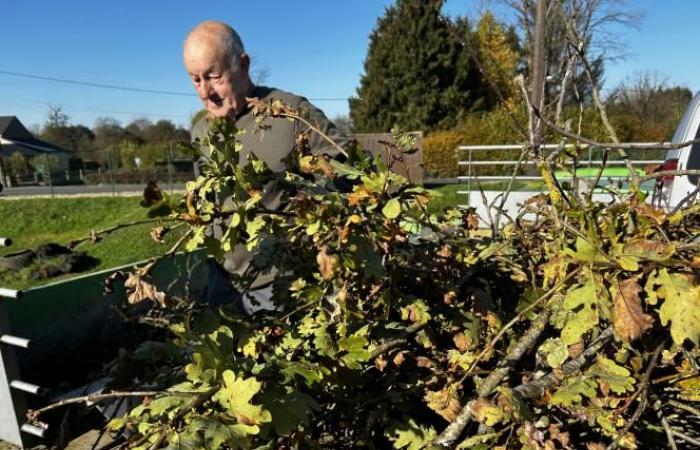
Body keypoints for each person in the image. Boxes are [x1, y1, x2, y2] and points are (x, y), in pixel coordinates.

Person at [183, 20, 347, 312]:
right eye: (196, 80)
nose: (206, 92)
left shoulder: (290, 114)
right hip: (224, 282)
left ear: (243, 65)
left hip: (284, 284)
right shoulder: (200, 132)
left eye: (214, 76)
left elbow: (346, 169)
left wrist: (315, 202)